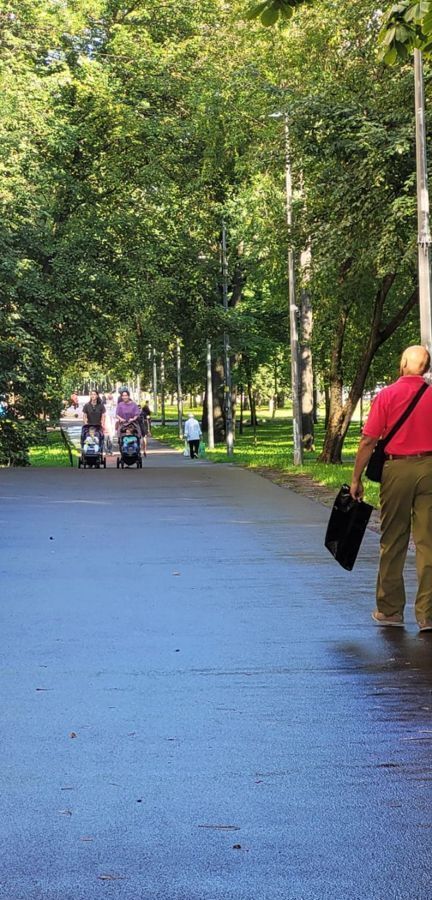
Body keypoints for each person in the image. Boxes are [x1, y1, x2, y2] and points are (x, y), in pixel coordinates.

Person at [350, 345, 432, 632]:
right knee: (428, 542)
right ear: (426, 367)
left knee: (393, 540)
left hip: (396, 469)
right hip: (430, 470)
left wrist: (356, 478)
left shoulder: (387, 395)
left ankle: (390, 611)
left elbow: (369, 441)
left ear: (403, 364)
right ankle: (427, 615)